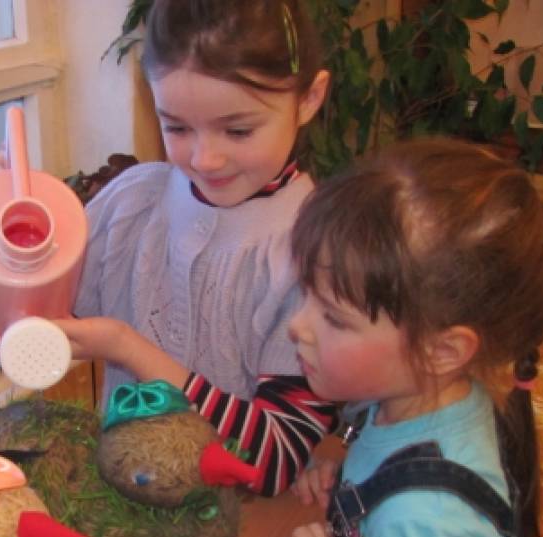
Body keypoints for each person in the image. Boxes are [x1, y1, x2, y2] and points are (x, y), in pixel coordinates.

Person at [280, 137, 543, 537]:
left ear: (443, 350)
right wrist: (344, 466)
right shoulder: (437, 395)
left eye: (334, 317)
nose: (297, 325)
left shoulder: (424, 521)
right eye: (305, 294)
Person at [41, 0, 342, 497]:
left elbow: (272, 461)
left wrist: (128, 349)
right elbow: (19, 337)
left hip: (240, 527)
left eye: (238, 130)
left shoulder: (318, 252)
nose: (205, 159)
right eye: (177, 127)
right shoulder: (132, 202)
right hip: (120, 506)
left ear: (309, 98)